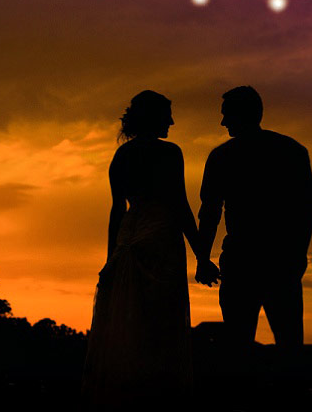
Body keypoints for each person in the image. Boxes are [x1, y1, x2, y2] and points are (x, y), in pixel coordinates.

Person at [81, 90, 219, 409]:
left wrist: (109, 260)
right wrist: (202, 256)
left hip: (129, 237)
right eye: (167, 114)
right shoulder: (170, 153)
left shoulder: (121, 157)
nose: (171, 121)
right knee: (161, 325)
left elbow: (117, 211)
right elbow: (181, 206)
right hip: (159, 239)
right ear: (154, 117)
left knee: (130, 323)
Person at [195, 86, 312, 348]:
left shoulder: (221, 156)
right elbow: (305, 211)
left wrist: (203, 259)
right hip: (279, 261)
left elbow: (210, 214)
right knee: (289, 344)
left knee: (240, 347)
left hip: (244, 262)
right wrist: (298, 256)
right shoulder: (293, 151)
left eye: (227, 114)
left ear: (243, 114)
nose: (223, 121)